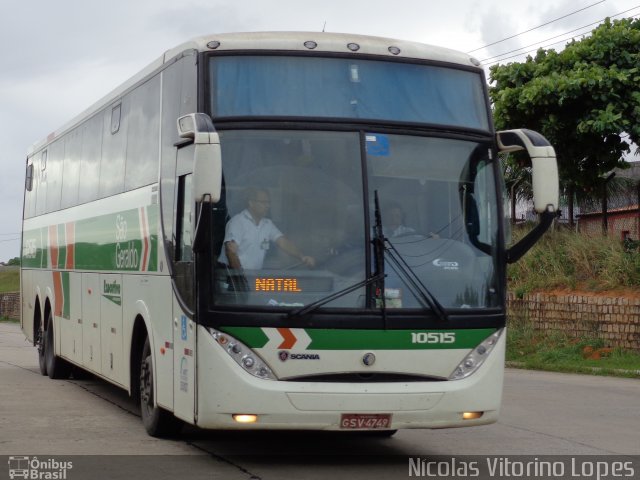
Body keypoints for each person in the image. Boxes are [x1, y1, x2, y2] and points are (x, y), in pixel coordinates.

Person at [219, 187, 315, 270]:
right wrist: (239, 276)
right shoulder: (238, 222)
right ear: (251, 203)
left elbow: (283, 242)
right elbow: (231, 251)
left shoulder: (267, 224)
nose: (268, 206)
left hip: (251, 279)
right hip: (233, 278)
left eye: (268, 202)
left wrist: (302, 257)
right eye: (263, 202)